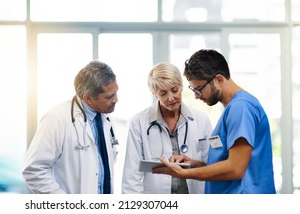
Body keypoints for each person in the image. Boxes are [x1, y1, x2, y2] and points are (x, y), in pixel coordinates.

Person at [153, 49, 276, 194]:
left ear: (218, 80)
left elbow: (236, 168)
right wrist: (194, 164)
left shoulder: (241, 108)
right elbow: (229, 162)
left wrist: (184, 174)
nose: (196, 97)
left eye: (199, 89)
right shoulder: (234, 108)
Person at [22, 60, 119, 194]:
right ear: (88, 98)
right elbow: (34, 170)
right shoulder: (56, 118)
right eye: (109, 96)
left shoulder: (105, 117)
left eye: (116, 92)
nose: (116, 100)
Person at [122, 62, 212, 194]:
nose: (171, 98)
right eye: (163, 93)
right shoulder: (139, 122)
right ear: (154, 94)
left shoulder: (201, 120)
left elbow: (212, 165)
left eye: (174, 90)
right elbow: (131, 176)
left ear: (181, 86)